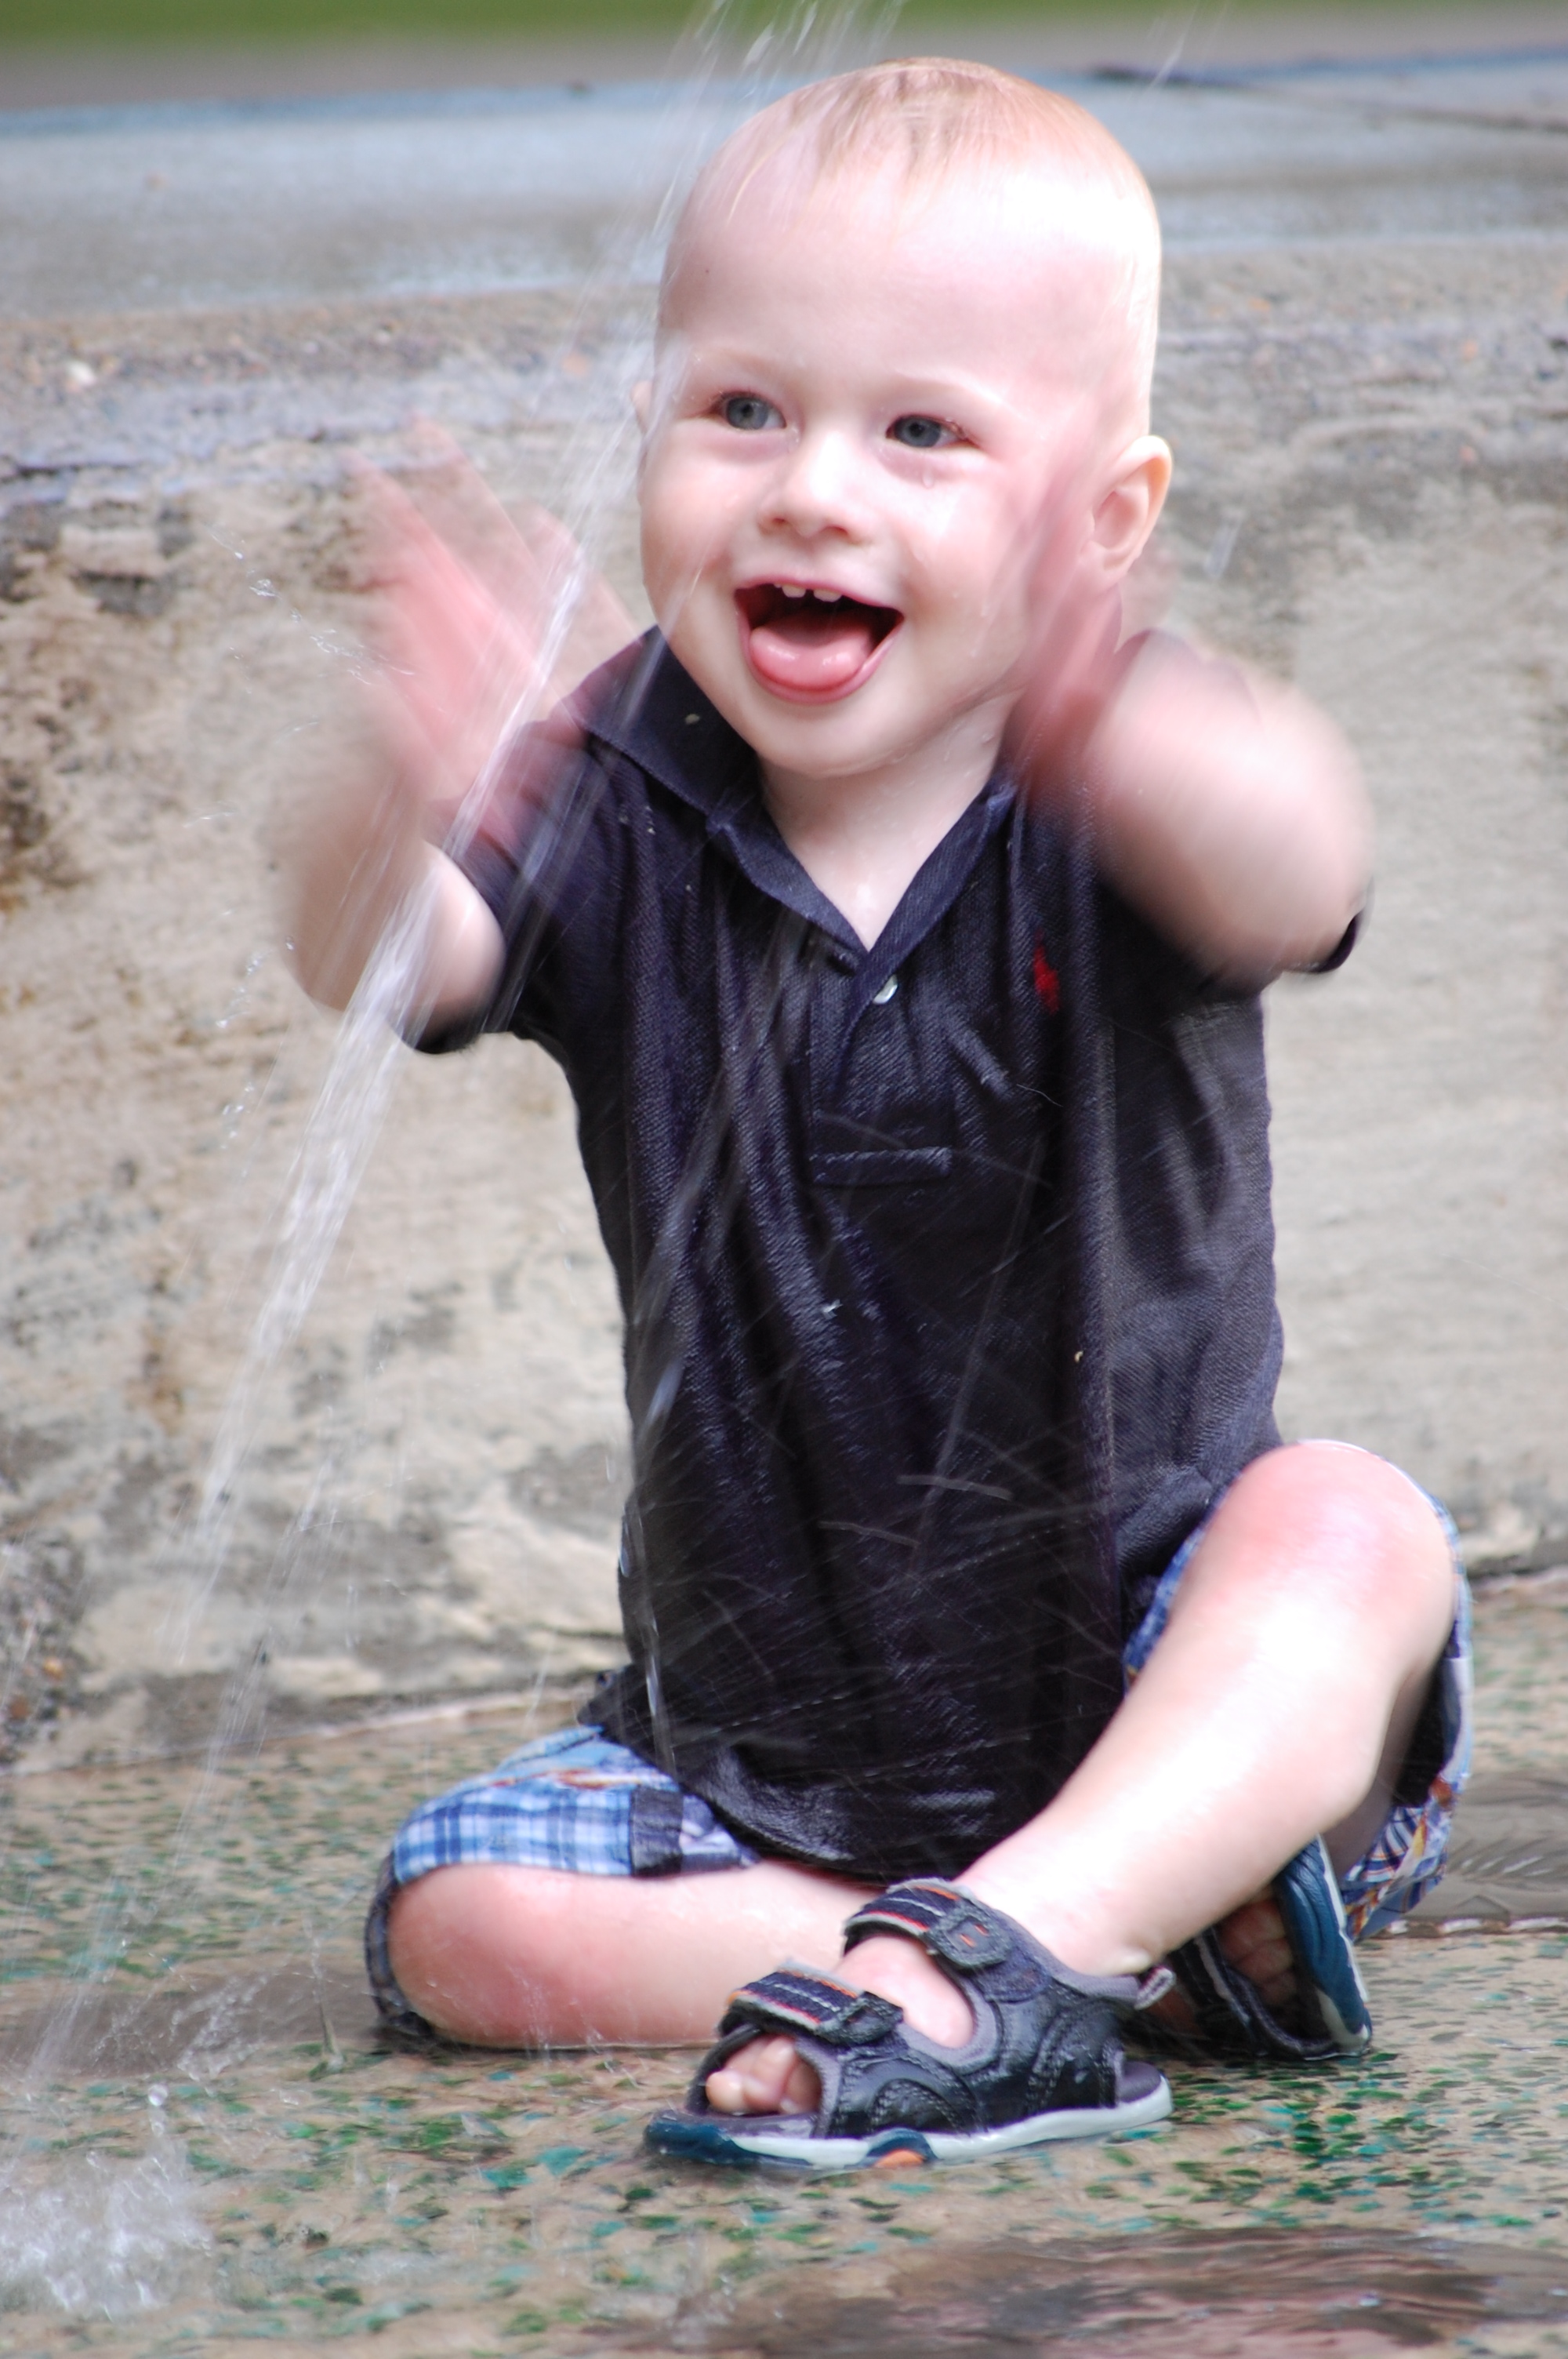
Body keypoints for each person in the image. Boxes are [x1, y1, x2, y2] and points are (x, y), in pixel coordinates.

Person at [285, 60, 1468, 2171]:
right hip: (755, 1769)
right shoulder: (623, 781)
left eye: (923, 434)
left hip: (1169, 1703)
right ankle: (1031, 1966)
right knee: (454, 1921)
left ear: (1103, 521)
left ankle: (1052, 1917)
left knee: (1352, 1535)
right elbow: (395, 961)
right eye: (742, 410)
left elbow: (1303, 867)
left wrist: (1128, 729)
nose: (813, 492)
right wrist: (406, 783)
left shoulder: (1130, 776)